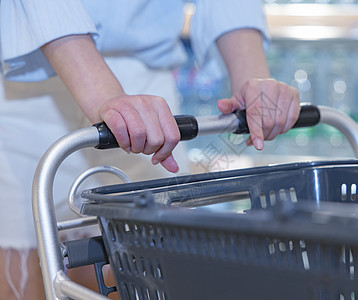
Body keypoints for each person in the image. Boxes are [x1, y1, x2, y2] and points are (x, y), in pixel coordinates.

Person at [0, 0, 301, 299]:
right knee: (25, 282)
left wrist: (254, 79)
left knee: (153, 280)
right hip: (29, 90)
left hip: (150, 109)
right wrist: (107, 96)